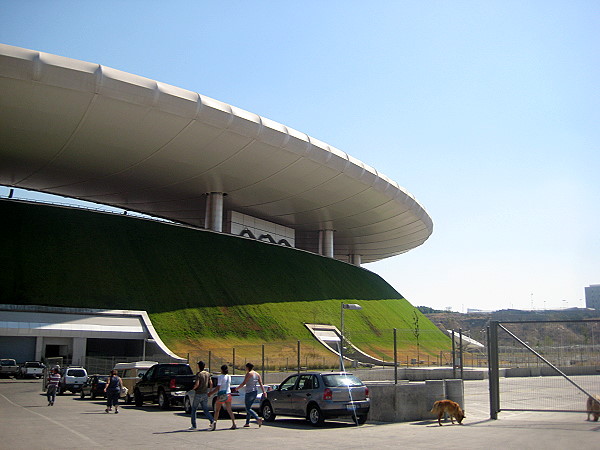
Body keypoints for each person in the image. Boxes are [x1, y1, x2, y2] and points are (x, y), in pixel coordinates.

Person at [234, 362, 266, 427]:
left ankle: (257, 418)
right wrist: (264, 392)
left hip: (249, 392)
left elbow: (244, 383)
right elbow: (261, 384)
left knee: (247, 408)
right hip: (255, 392)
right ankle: (247, 422)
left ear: (247, 367)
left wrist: (237, 388)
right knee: (249, 407)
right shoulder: (257, 374)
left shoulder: (249, 374)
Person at [208, 364, 236, 430]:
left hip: (221, 394)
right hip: (228, 393)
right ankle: (234, 423)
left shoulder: (220, 377)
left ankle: (214, 424)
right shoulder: (229, 377)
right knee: (229, 410)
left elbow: (218, 387)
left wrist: (211, 393)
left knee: (217, 410)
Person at [189, 361, 215, 431]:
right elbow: (211, 383)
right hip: (205, 393)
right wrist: (210, 391)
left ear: (199, 366)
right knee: (205, 409)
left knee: (194, 409)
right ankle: (212, 420)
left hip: (198, 393)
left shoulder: (199, 374)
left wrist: (192, 389)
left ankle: (194, 425)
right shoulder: (207, 374)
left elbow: (197, 384)